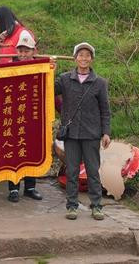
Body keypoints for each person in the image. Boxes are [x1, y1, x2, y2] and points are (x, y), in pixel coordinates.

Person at [55, 42, 111, 221]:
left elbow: (105, 110)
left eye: (87, 55)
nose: (84, 58)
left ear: (92, 59)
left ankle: (96, 206)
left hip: (91, 134)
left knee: (93, 171)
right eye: (80, 55)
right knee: (71, 171)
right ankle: (72, 205)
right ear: (75, 58)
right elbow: (49, 89)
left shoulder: (99, 83)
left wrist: (106, 132)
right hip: (71, 134)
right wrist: (51, 70)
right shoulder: (65, 79)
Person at [6, 30, 43, 202]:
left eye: (26, 50)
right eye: (20, 50)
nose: (23, 54)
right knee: (14, 151)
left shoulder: (41, 67)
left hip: (33, 116)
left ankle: (30, 187)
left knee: (31, 151)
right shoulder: (8, 67)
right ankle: (13, 188)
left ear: (33, 51)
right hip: (14, 115)